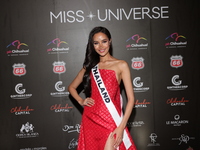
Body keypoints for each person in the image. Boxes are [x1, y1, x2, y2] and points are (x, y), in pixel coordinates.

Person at [68, 26, 137, 150]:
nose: (101, 46)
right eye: (96, 43)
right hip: (90, 119)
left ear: (110, 41)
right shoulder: (90, 67)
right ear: (92, 45)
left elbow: (131, 100)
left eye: (104, 41)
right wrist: (81, 101)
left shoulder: (121, 65)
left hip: (111, 120)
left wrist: (121, 127)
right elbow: (71, 87)